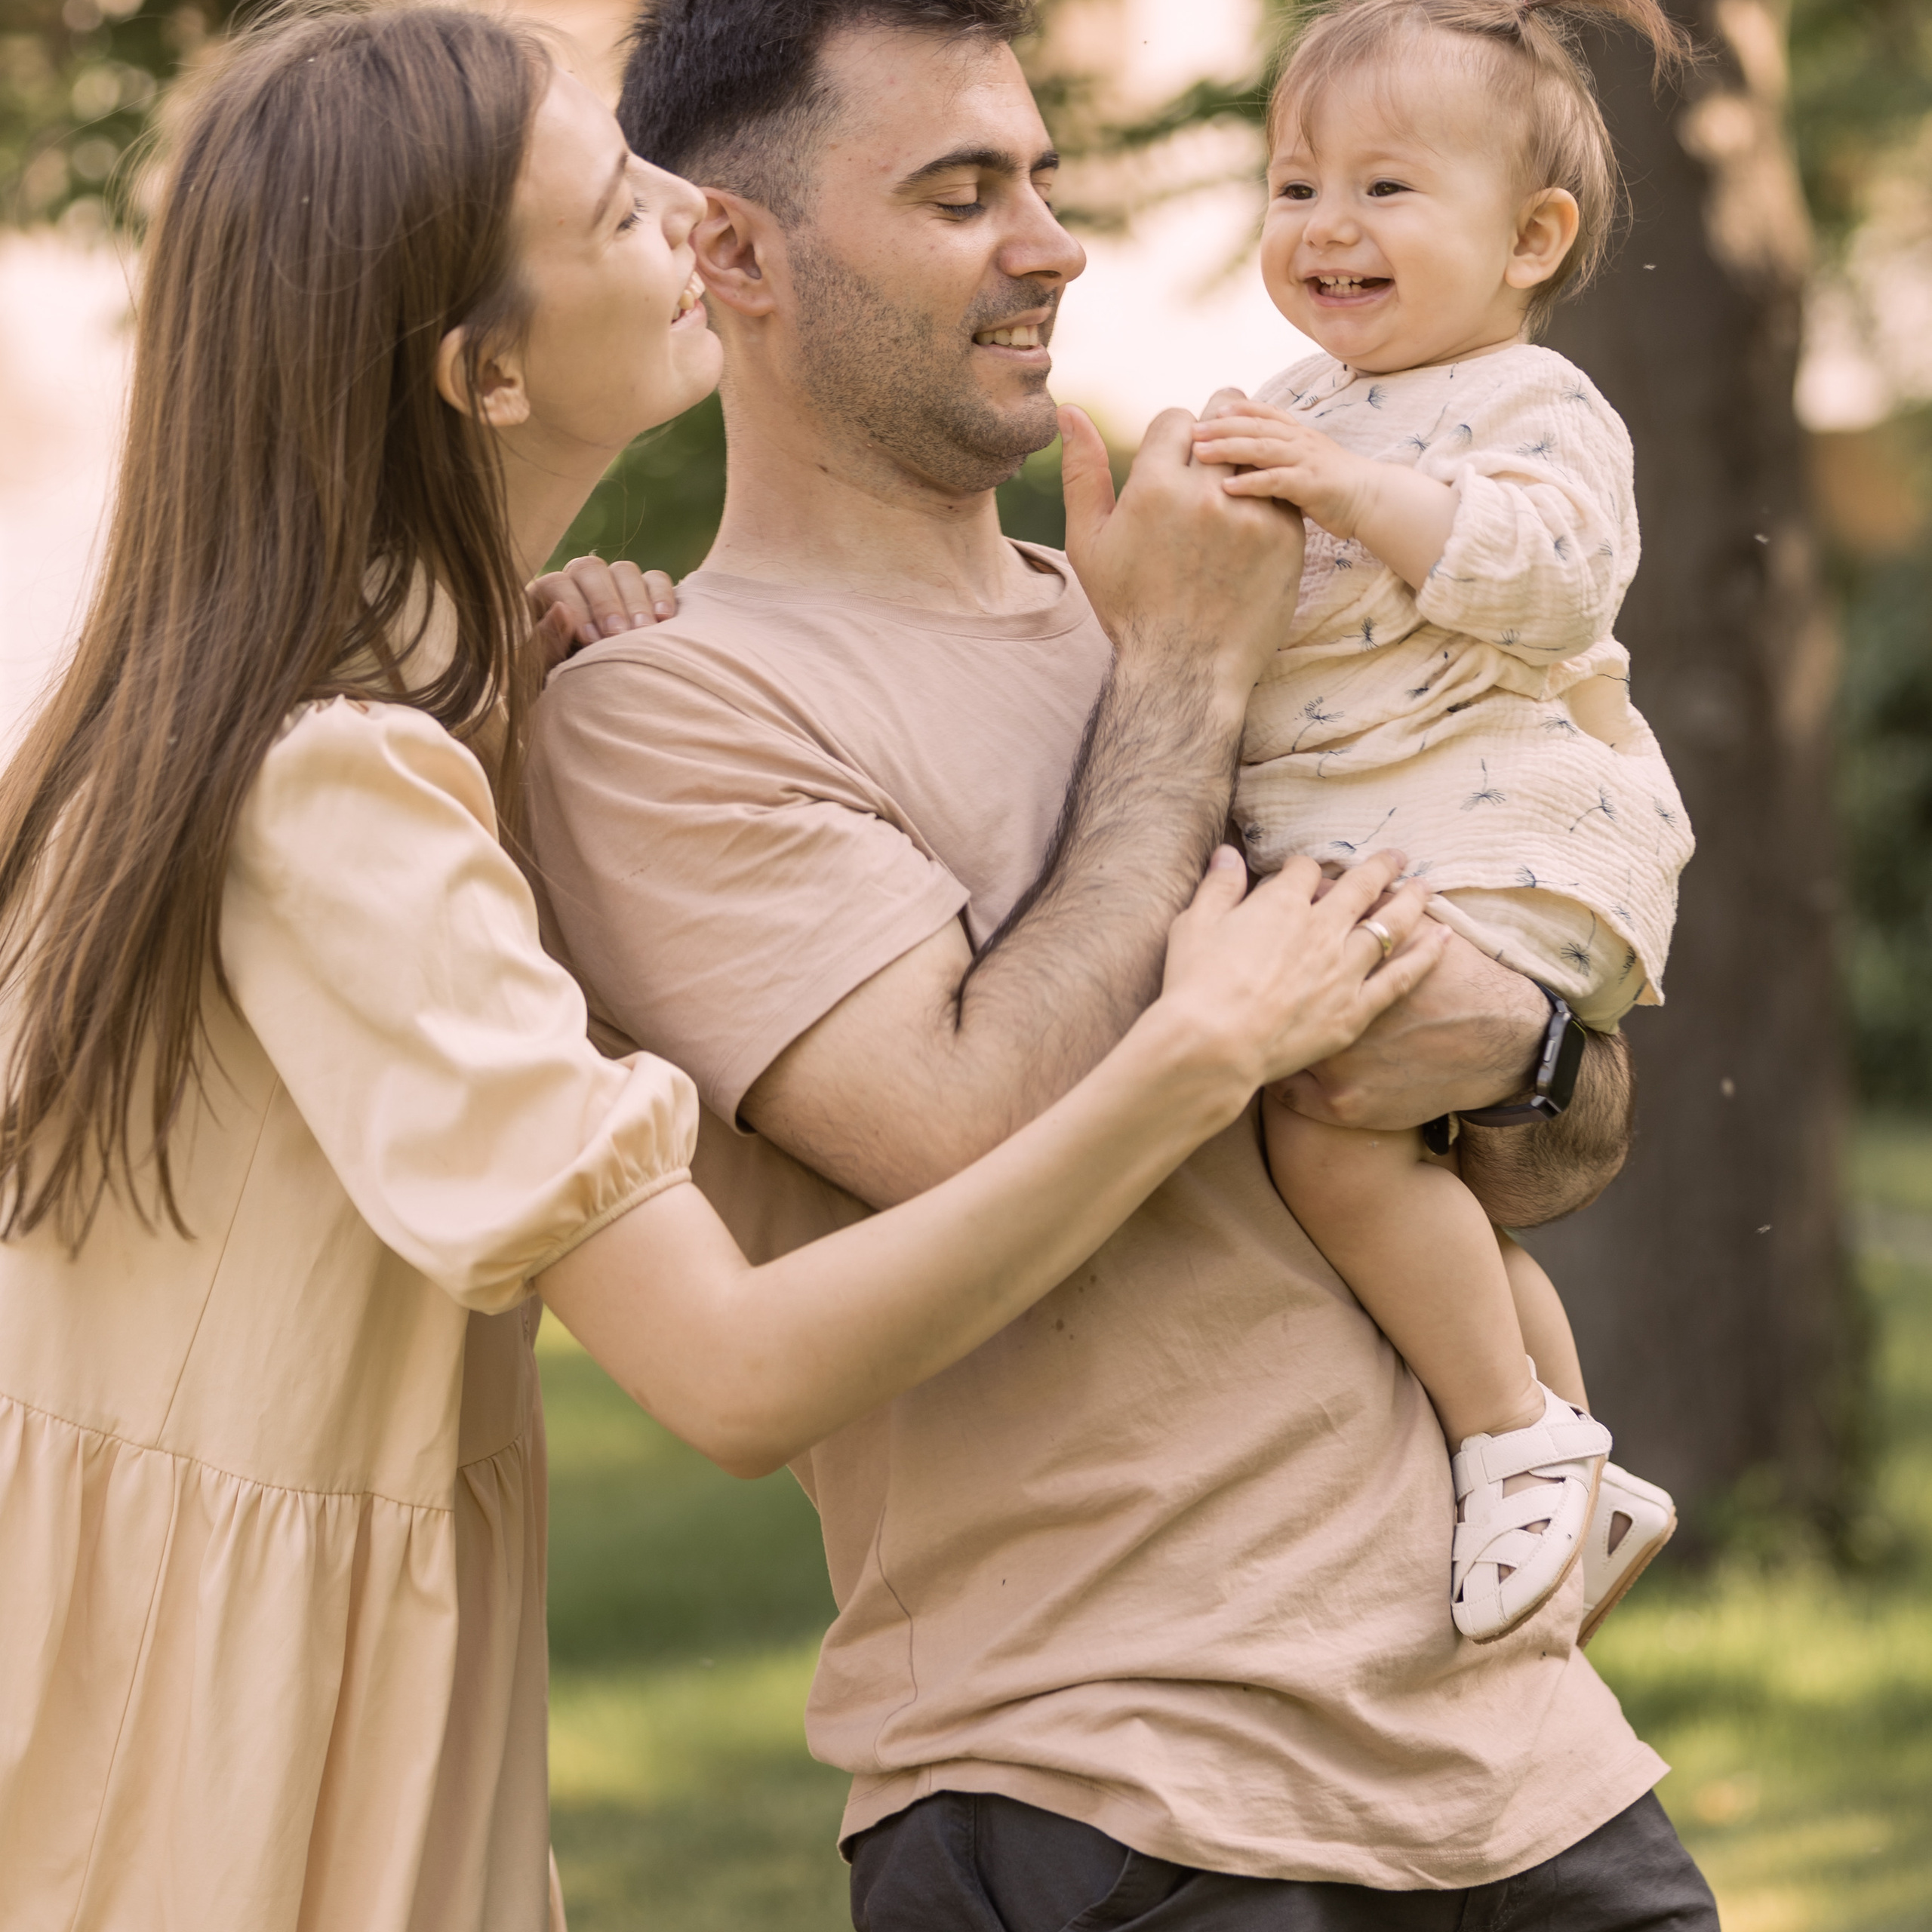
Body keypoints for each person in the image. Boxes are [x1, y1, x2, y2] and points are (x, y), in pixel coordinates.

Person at [0, 9, 1443, 1928]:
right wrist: (1195, 1045)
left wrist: (523, 672)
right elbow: (734, 1371)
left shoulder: (386, 709)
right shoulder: (333, 782)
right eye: (619, 208)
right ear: (482, 371)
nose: (697, 220)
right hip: (187, 1737)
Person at [524, 0, 1718, 1921]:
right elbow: (952, 1127)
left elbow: (1548, 1132)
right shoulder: (667, 708)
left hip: (1525, 1762)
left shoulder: (1198, 592)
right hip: (1105, 1787)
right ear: (728, 251)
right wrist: (1179, 678)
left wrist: (1520, 1050)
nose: (1051, 246)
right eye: (957, 191)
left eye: (1045, 180)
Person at [1187, 0, 1695, 1646]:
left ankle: (1506, 1431)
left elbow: (1552, 584)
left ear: (1529, 236)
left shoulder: (1533, 400)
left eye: (1386, 188)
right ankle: (1568, 1446)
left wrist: (1342, 493)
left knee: (1328, 1134)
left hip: (1507, 838)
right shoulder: (1298, 393)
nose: (1327, 223)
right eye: (1292, 185)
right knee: (1420, 1192)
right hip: (1397, 836)